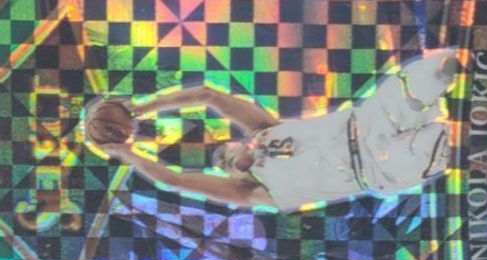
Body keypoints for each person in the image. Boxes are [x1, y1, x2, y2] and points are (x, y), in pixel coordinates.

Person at [93, 47, 457, 212]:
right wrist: (126, 152)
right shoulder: (257, 192)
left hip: (369, 120)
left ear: (238, 142)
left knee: (435, 69)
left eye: (223, 154)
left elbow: (207, 95)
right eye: (221, 167)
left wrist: (142, 108)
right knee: (452, 143)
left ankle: (482, 57)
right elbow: (172, 179)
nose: (224, 162)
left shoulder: (265, 130)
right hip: (379, 168)